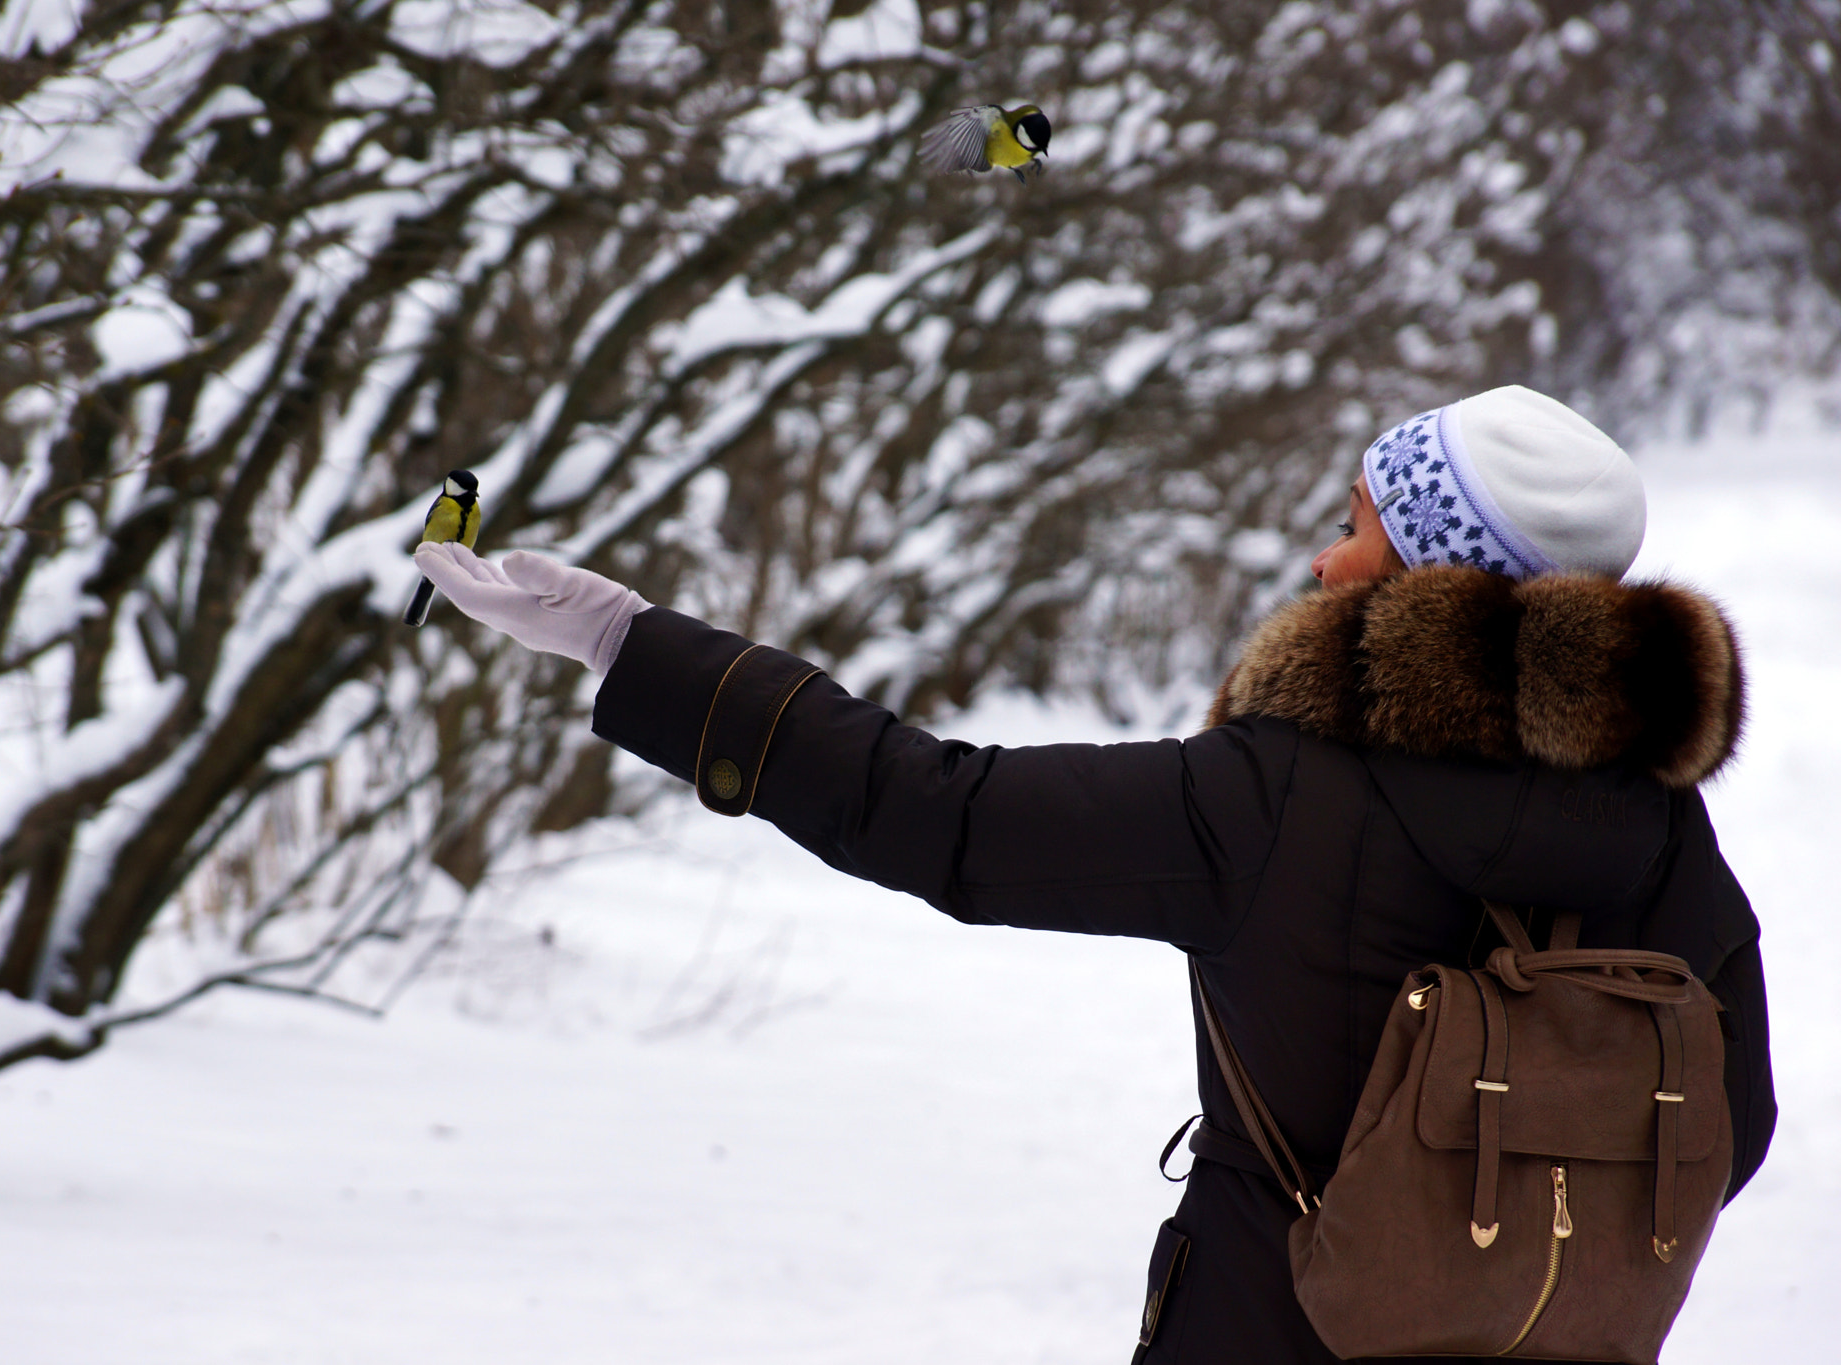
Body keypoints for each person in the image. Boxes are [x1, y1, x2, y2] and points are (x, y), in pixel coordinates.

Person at [414, 385, 1775, 1363]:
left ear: (1433, 571)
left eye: (1357, 526)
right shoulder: (1666, 830)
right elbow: (1738, 1126)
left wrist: (627, 641)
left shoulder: (1276, 793)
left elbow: (936, 810)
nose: (1325, 554)